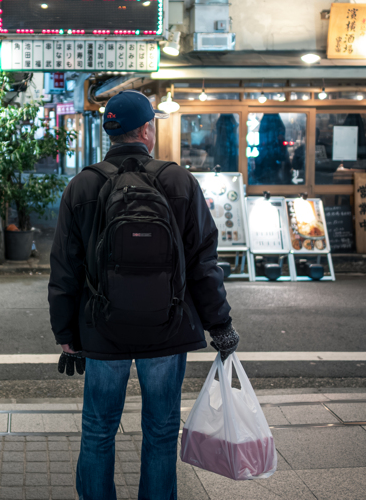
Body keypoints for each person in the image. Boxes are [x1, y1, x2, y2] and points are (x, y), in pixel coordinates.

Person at [48, 90, 239, 500]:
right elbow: (204, 262)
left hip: (102, 330)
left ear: (110, 133)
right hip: (168, 328)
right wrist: (219, 324)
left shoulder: (83, 185)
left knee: (98, 430)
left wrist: (66, 334)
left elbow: (65, 267)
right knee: (161, 430)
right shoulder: (178, 181)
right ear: (147, 130)